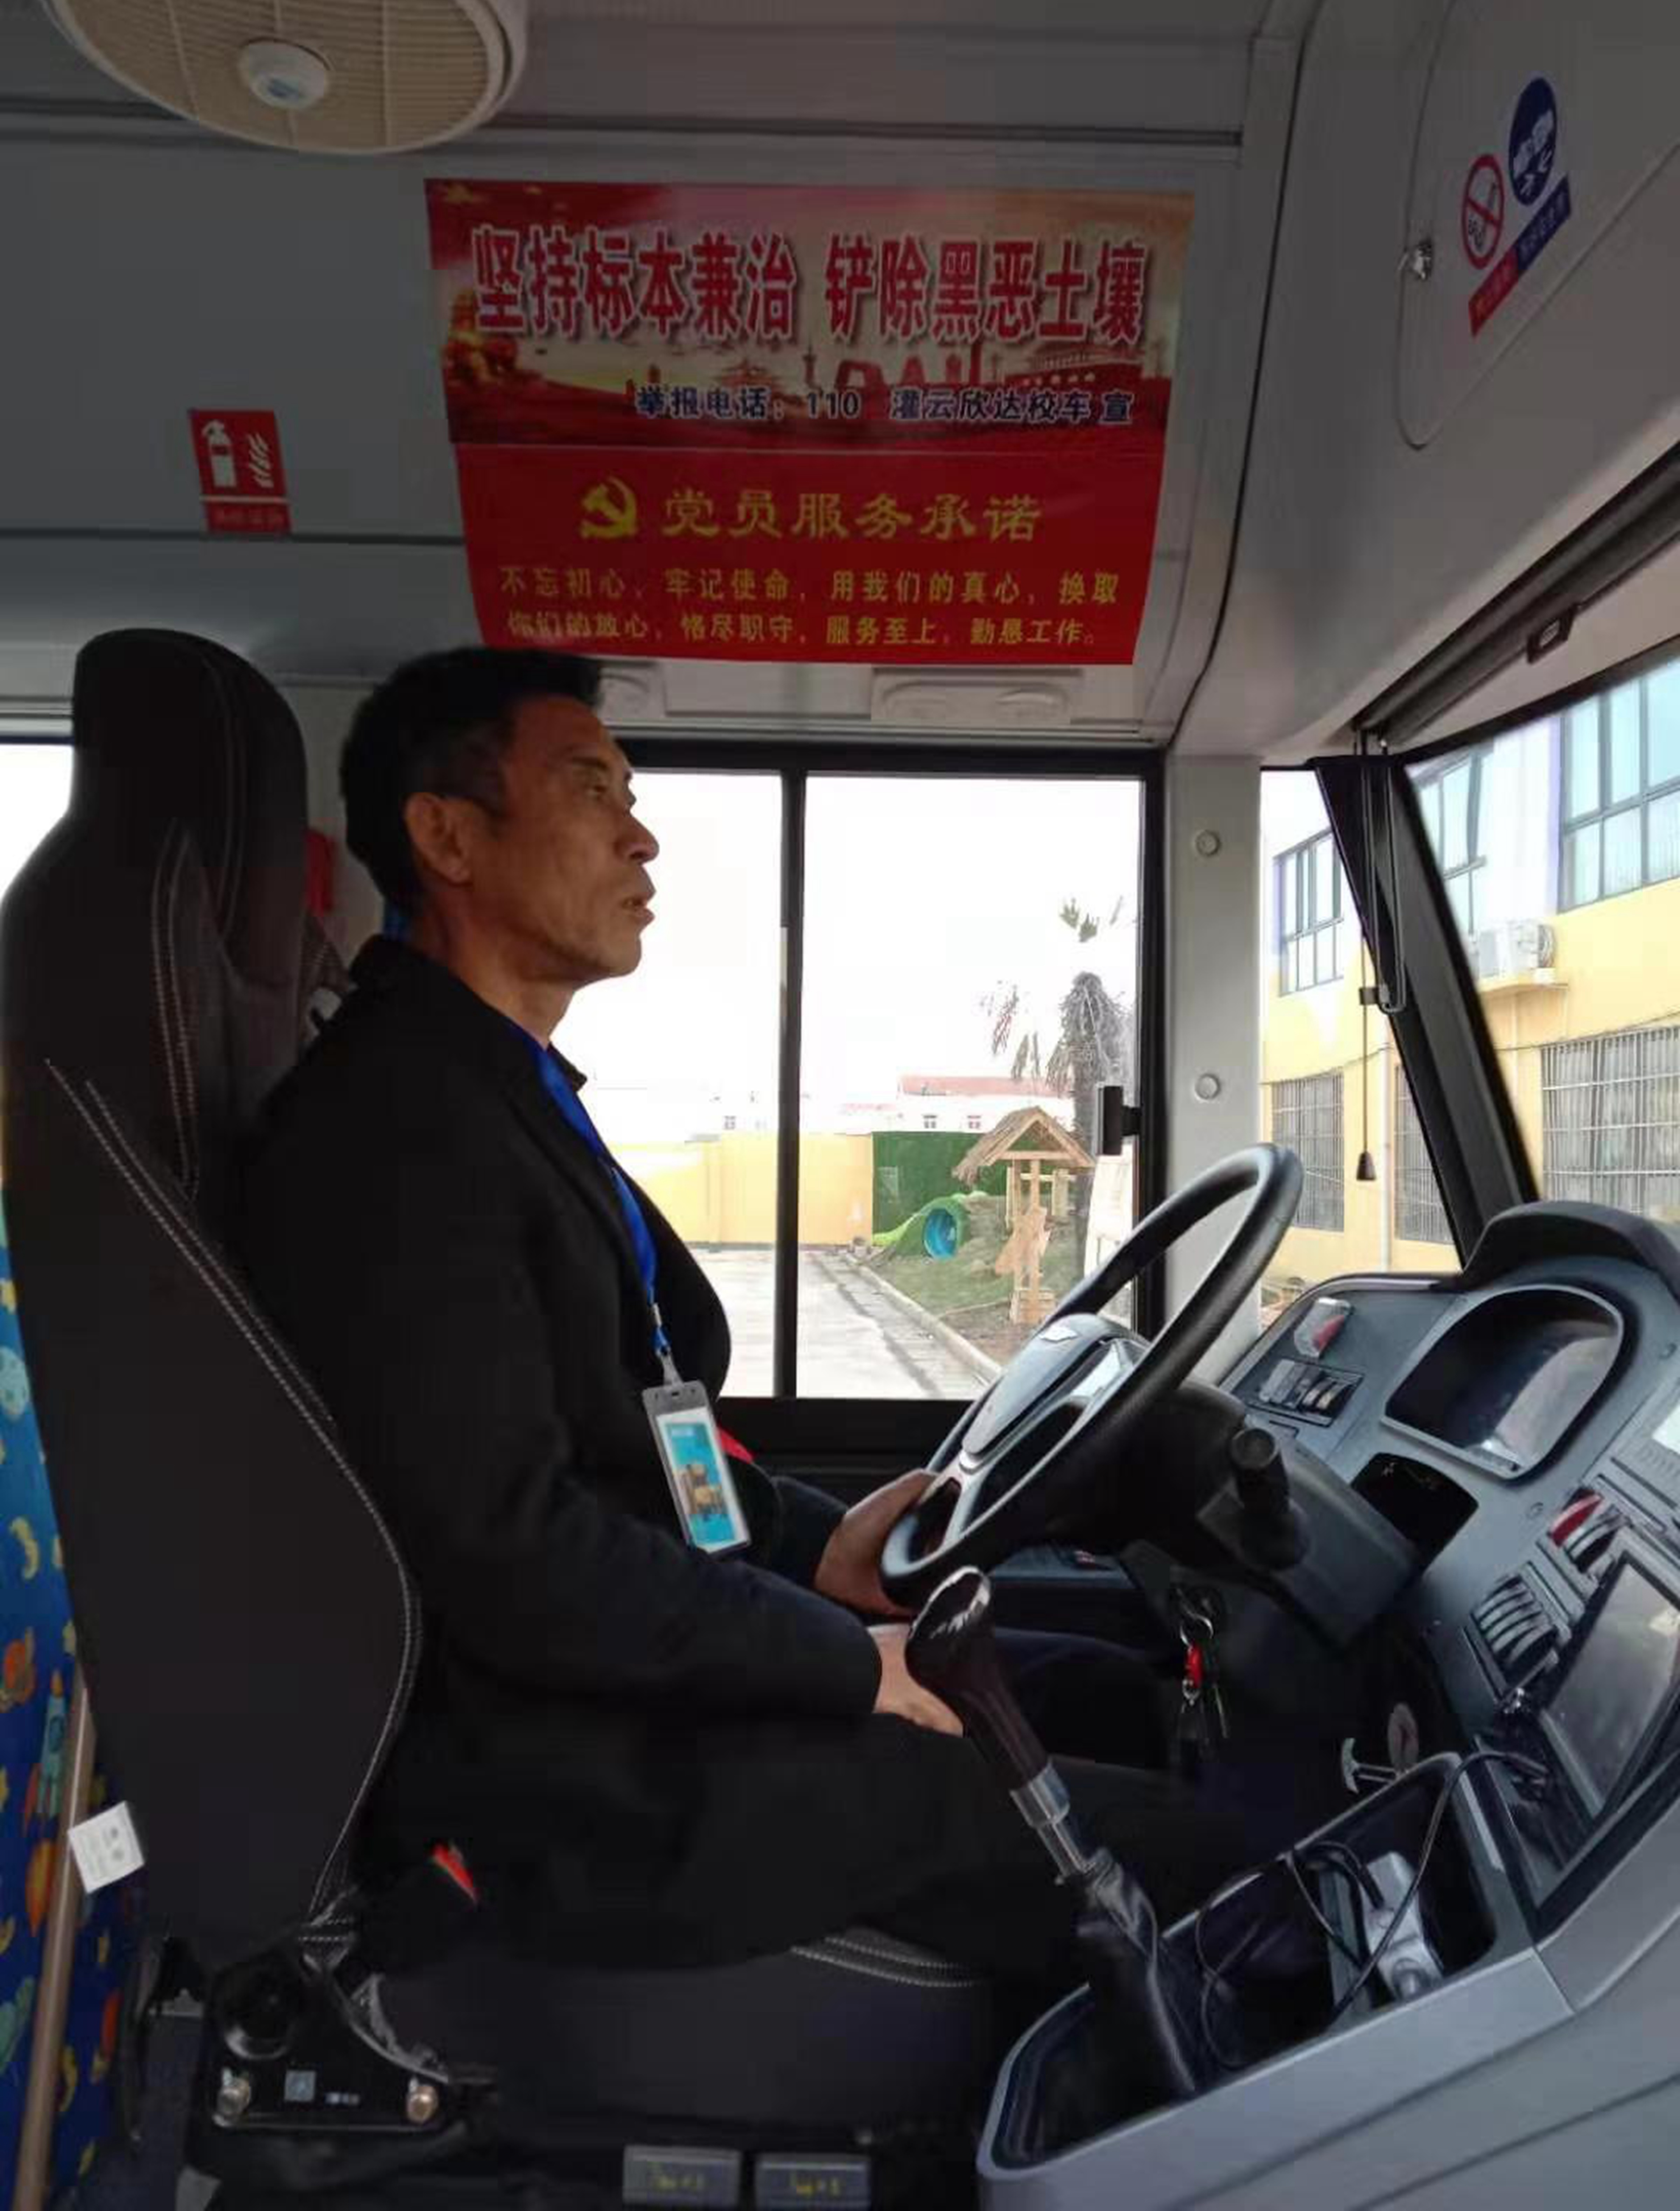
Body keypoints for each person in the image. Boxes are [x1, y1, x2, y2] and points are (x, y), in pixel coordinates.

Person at [237, 648, 1295, 1996]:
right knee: (1219, 1871)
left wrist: (816, 1550)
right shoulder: (393, 1133)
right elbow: (520, 1557)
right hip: (570, 1779)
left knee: (1100, 1689)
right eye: (591, 790)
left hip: (619, 1693)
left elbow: (634, 1437)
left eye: (633, 795)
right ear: (448, 838)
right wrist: (838, 1663)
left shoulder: (494, 1091)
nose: (642, 837)